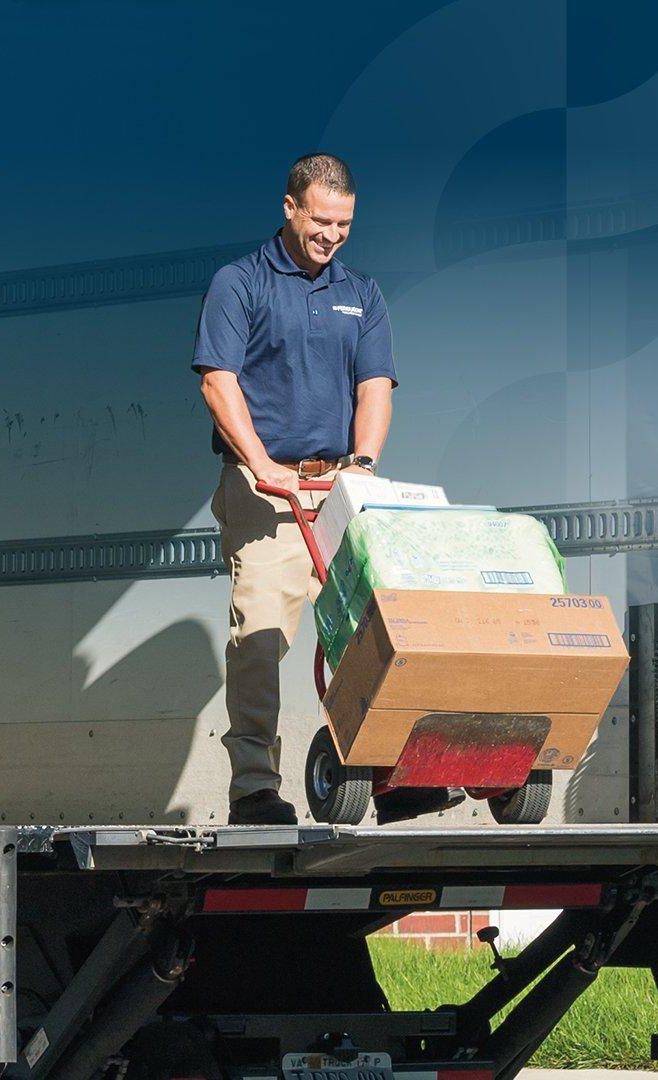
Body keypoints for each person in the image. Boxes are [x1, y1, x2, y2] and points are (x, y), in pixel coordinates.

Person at [193, 154, 455, 826]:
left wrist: (363, 463)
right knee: (260, 639)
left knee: (378, 635)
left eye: (343, 224)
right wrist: (261, 465)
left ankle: (393, 780)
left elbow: (375, 387)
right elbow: (218, 383)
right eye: (320, 220)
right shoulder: (239, 284)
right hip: (266, 492)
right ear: (290, 209)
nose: (331, 235)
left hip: (340, 487)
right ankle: (254, 788)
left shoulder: (361, 294)